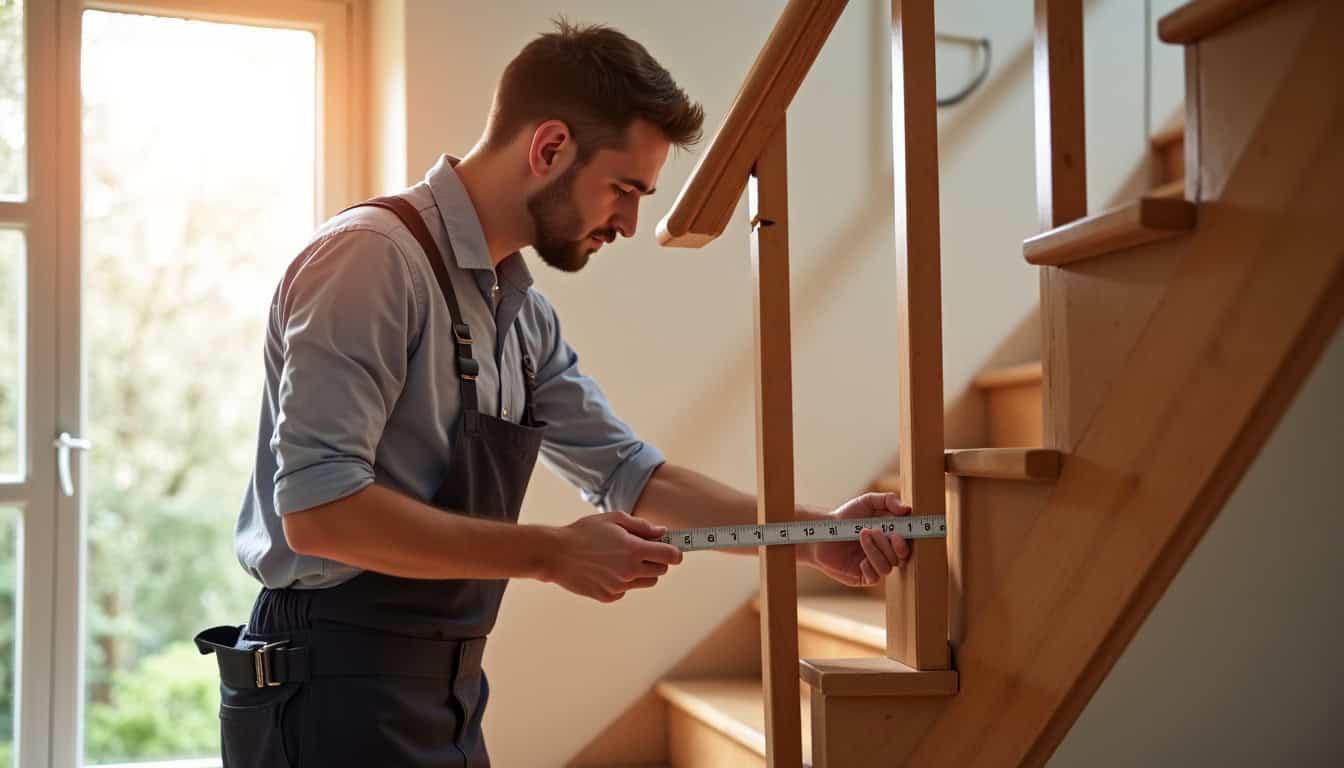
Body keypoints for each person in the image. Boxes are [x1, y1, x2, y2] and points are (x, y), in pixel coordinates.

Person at [195, 19, 914, 768]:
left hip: (446, 693)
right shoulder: (371, 262)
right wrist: (551, 554)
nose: (632, 223)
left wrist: (815, 534)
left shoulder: (521, 313)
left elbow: (633, 477)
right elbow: (320, 514)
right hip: (327, 692)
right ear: (549, 149)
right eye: (625, 189)